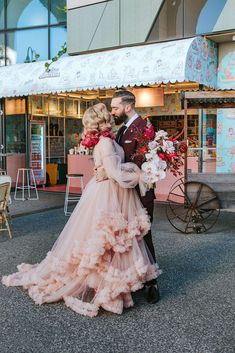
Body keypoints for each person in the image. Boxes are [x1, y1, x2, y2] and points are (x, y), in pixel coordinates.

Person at [2, 103, 161, 317]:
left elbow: (111, 169)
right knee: (106, 239)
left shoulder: (108, 140)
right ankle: (103, 283)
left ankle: (115, 281)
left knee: (114, 240)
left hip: (114, 191)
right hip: (109, 192)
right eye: (110, 112)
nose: (113, 114)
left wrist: (124, 169)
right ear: (104, 119)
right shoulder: (105, 143)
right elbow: (115, 173)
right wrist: (138, 174)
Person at [110, 90, 160, 303]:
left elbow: (148, 164)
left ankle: (152, 284)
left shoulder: (144, 127)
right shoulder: (122, 129)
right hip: (124, 192)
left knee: (143, 233)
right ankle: (132, 278)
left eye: (115, 107)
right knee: (125, 235)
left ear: (127, 107)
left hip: (141, 193)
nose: (112, 111)